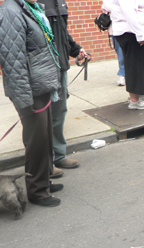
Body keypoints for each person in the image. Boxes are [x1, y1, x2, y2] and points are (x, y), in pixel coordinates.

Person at [0, 0, 64, 207]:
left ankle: (43, 179)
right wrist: (24, 99)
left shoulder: (27, 8)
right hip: (30, 90)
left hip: (40, 86)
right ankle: (37, 191)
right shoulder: (10, 11)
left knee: (44, 138)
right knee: (36, 142)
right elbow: (13, 60)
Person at [37, 0, 87, 178]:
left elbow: (62, 32)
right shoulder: (35, 3)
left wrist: (75, 49)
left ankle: (58, 155)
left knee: (59, 112)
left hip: (61, 65)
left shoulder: (59, 2)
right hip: (45, 67)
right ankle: (45, 162)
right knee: (44, 117)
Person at [109, 0, 144, 110]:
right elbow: (129, 12)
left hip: (134, 32)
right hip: (131, 33)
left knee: (137, 66)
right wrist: (140, 34)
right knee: (135, 66)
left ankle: (135, 98)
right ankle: (134, 101)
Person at [101, 0, 125, 87]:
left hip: (130, 29)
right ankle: (123, 75)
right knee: (121, 54)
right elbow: (107, 7)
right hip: (116, 30)